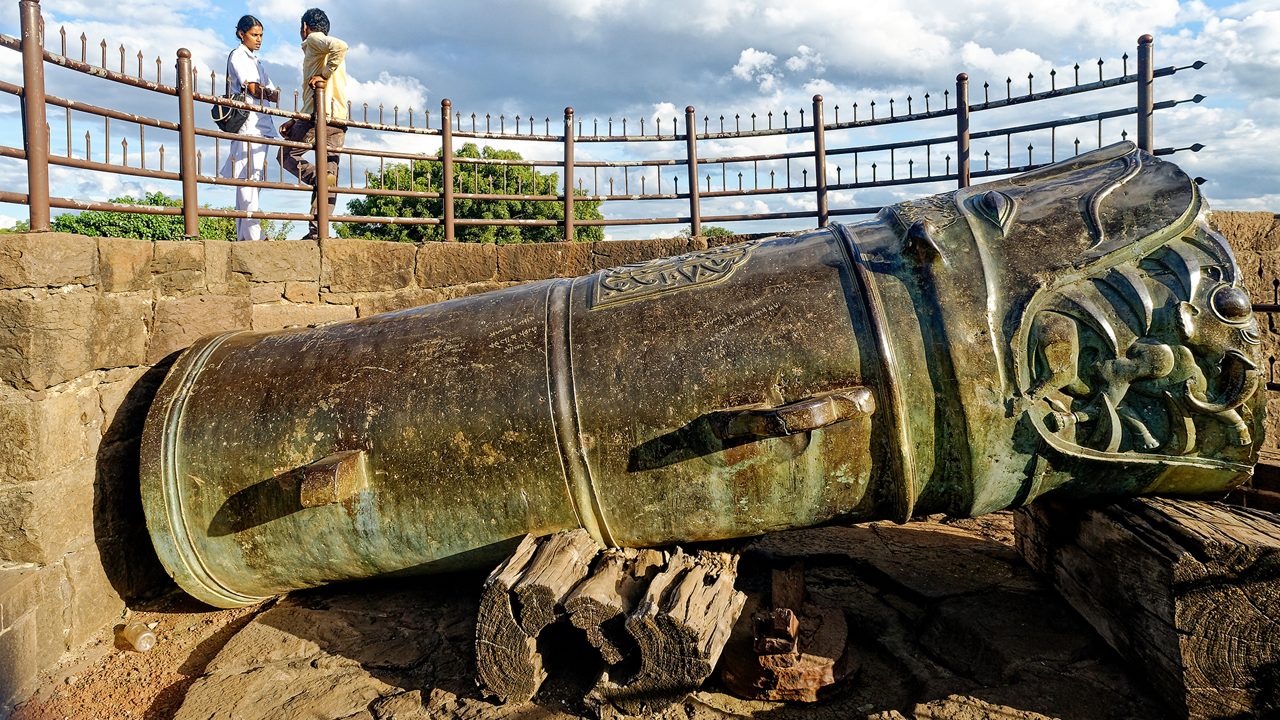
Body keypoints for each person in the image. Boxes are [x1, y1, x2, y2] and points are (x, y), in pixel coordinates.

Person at [279, 8, 348, 239]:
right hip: (338, 119)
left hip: (317, 117)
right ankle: (319, 231)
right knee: (330, 173)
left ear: (305, 27)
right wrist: (294, 119)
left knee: (286, 155)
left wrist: (324, 75)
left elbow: (342, 46)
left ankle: (316, 177)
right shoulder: (325, 50)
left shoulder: (313, 40)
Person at [219, 15, 280, 241]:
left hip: (260, 125)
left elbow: (273, 93)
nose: (259, 39)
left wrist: (264, 90)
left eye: (261, 35)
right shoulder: (238, 56)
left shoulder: (256, 61)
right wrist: (263, 90)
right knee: (247, 179)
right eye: (255, 35)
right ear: (241, 34)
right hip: (247, 125)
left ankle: (243, 236)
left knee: (253, 179)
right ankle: (255, 235)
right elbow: (255, 89)